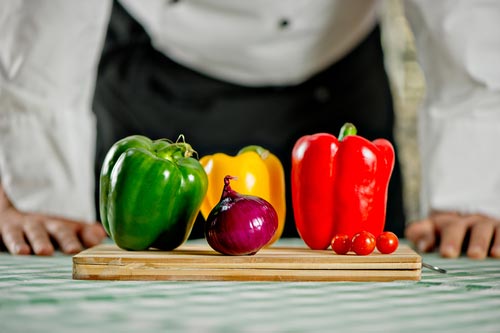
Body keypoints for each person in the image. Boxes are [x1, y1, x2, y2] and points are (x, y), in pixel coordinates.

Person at [0, 1, 499, 259]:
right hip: (158, 66)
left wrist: (473, 184)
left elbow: (468, 12)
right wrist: (34, 178)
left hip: (333, 66)